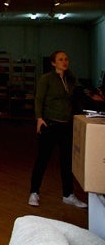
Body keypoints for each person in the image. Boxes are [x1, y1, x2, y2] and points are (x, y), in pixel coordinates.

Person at [28, 50, 88, 208]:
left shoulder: (69, 80)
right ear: (53, 63)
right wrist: (39, 118)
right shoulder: (46, 78)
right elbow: (39, 99)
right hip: (49, 124)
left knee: (67, 161)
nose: (65, 62)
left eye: (66, 59)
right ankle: (34, 192)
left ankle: (68, 195)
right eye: (60, 59)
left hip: (66, 125)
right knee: (42, 159)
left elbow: (75, 94)